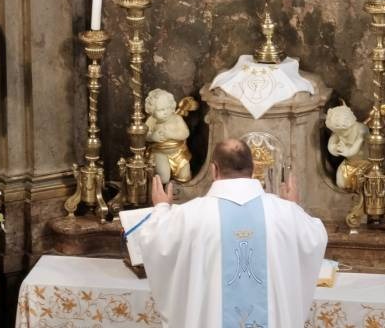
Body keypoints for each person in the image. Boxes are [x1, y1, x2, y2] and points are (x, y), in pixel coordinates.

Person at [137, 138, 327, 328]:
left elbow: (155, 241)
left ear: (214, 170)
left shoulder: (190, 215)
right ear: (253, 169)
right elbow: (315, 239)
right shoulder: (285, 213)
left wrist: (161, 208)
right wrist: (293, 208)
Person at [144, 89, 192, 184]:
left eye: (167, 108)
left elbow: (185, 133)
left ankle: (178, 188)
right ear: (152, 111)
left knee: (184, 177)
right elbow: (143, 135)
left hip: (178, 153)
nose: (165, 112)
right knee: (163, 178)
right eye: (161, 110)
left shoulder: (177, 118)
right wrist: (152, 137)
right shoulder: (151, 120)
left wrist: (171, 134)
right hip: (160, 153)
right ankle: (160, 186)